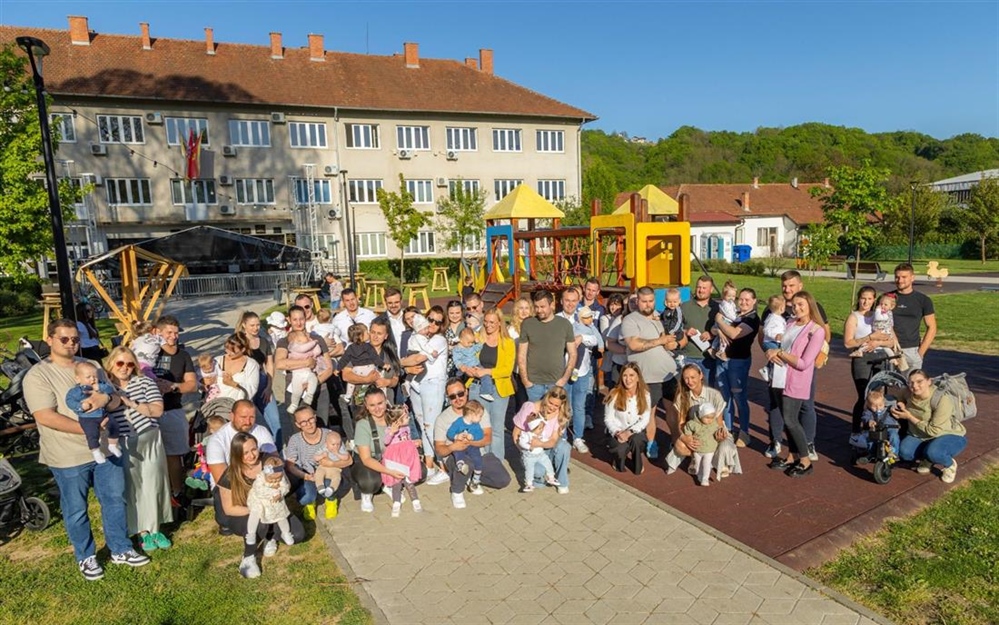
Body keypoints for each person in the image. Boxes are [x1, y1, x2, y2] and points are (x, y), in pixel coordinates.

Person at [24, 320, 150, 580]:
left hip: (106, 449)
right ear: (49, 340)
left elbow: (115, 398)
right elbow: (45, 416)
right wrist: (86, 430)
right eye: (64, 339)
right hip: (67, 454)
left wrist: (105, 399)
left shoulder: (90, 367)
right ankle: (86, 556)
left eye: (75, 339)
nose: (71, 343)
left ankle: (120, 548)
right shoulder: (38, 374)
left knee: (115, 500)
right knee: (76, 508)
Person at [104, 346, 171, 553]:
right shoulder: (104, 387)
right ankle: (142, 530)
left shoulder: (144, 382)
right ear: (111, 363)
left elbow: (157, 410)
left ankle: (155, 528)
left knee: (153, 483)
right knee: (133, 487)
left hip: (148, 439)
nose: (125, 368)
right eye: (120, 363)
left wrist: (130, 402)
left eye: (130, 364)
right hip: (122, 443)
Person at [761, 271, 831, 460]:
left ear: (800, 286)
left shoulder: (811, 307)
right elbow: (764, 337)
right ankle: (775, 441)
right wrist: (768, 351)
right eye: (784, 286)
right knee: (775, 405)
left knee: (805, 406)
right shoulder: (773, 308)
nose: (787, 289)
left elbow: (825, 335)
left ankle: (808, 444)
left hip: (801, 366)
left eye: (791, 285)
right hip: (779, 366)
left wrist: (817, 356)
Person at [216, 433, 305, 579]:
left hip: (274, 509)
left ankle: (270, 537)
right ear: (237, 454)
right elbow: (229, 508)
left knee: (297, 534)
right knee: (259, 523)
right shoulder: (230, 473)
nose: (251, 455)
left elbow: (285, 484)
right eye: (245, 452)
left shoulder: (270, 462)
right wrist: (258, 509)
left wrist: (279, 494)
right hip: (245, 513)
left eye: (254, 449)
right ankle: (248, 557)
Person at [434, 377, 512, 508]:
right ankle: (457, 491)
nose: (458, 399)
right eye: (453, 396)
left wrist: (470, 443)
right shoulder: (443, 418)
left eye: (460, 394)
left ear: (466, 391)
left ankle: (471, 479)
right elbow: (439, 449)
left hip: (478, 453)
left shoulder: (478, 410)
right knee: (465, 463)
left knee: (503, 480)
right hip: (455, 455)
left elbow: (488, 438)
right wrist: (454, 446)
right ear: (448, 398)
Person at [621, 286, 680, 459]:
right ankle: (651, 443)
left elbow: (670, 340)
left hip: (669, 373)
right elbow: (633, 344)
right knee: (649, 412)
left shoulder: (660, 317)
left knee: (673, 410)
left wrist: (672, 343)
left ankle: (676, 440)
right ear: (637, 301)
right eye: (644, 301)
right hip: (647, 376)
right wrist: (660, 340)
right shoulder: (630, 320)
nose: (648, 305)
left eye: (651, 301)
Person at [207, 400, 276, 533]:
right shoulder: (217, 439)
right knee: (226, 520)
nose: (248, 422)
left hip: (258, 480)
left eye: (252, 417)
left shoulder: (261, 431)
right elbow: (221, 477)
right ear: (231, 416)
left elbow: (274, 459)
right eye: (243, 417)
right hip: (230, 486)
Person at [149, 315, 197, 503]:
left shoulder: (183, 355)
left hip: (172, 409)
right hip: (148, 412)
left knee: (174, 454)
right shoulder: (149, 353)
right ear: (158, 332)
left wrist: (172, 386)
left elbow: (192, 384)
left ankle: (177, 492)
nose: (173, 336)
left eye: (176, 333)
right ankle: (157, 493)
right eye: (169, 332)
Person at [400, 308, 450, 484]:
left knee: (431, 425)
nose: (433, 324)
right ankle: (429, 465)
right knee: (422, 423)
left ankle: (444, 466)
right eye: (430, 319)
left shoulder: (439, 340)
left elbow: (416, 359)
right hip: (418, 383)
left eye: (438, 322)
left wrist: (399, 363)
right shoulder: (418, 337)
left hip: (433, 383)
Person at [891, 369, 967, 483]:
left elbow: (933, 430)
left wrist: (909, 417)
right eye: (911, 382)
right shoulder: (907, 391)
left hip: (946, 433)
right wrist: (900, 402)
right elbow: (899, 397)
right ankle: (927, 459)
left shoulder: (941, 399)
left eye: (919, 381)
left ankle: (949, 464)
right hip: (919, 434)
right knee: (904, 453)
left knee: (934, 453)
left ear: (929, 381)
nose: (915, 386)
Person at [843, 286, 896, 446]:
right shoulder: (854, 317)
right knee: (864, 395)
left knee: (880, 395)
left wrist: (877, 342)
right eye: (863, 298)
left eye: (870, 299)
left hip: (880, 356)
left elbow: (892, 340)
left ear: (874, 300)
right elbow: (848, 343)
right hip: (862, 358)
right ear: (859, 298)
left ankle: (879, 428)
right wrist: (868, 338)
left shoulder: (881, 315)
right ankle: (856, 431)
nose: (866, 302)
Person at [668, 363, 740, 478]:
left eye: (693, 377)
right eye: (686, 378)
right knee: (680, 446)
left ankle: (714, 461)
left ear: (701, 375)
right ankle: (695, 458)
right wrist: (684, 438)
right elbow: (681, 422)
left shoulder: (715, 395)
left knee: (725, 446)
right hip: (695, 432)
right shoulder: (682, 397)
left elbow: (719, 422)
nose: (689, 381)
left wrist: (719, 435)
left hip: (713, 430)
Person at [463, 308, 516, 460]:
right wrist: (469, 369)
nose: (488, 325)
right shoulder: (477, 338)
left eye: (492, 322)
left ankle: (497, 462)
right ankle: (481, 461)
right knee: (479, 426)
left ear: (499, 323)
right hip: (477, 386)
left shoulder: (507, 342)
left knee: (497, 428)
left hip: (498, 388)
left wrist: (487, 372)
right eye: (485, 321)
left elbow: (507, 369)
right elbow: (467, 357)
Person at [712, 287, 761, 448]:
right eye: (741, 299)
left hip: (738, 362)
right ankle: (729, 429)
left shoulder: (752, 319)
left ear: (754, 301)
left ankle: (744, 432)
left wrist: (719, 320)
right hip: (722, 359)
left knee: (739, 397)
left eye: (748, 299)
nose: (744, 302)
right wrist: (718, 329)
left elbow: (734, 334)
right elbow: (714, 330)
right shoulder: (734, 314)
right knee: (725, 398)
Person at [283, 406, 350, 520]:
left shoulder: (330, 435)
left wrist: (331, 464)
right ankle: (310, 503)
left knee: (330, 487)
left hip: (329, 473)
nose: (308, 424)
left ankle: (331, 500)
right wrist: (305, 476)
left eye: (310, 419)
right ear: (298, 424)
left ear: (315, 418)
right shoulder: (294, 439)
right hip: (307, 474)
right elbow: (290, 466)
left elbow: (349, 460)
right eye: (303, 422)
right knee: (306, 497)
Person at [340, 317, 400, 438]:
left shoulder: (390, 354)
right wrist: (366, 380)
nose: (375, 336)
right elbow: (346, 375)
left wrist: (387, 381)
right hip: (361, 404)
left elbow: (395, 379)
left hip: (385, 404)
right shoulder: (356, 350)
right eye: (372, 332)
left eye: (379, 333)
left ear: (386, 336)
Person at [275, 305, 335, 424]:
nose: (298, 323)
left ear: (306, 318)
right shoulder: (285, 341)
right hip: (295, 388)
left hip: (319, 388)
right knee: (298, 427)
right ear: (289, 320)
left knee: (322, 425)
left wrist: (314, 383)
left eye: (301, 319)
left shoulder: (317, 339)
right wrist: (306, 362)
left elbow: (329, 367)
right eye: (295, 319)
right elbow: (279, 363)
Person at [351, 387, 406, 512]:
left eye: (380, 403)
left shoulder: (393, 418)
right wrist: (389, 471)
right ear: (366, 406)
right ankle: (367, 493)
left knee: (420, 471)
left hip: (388, 458)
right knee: (370, 482)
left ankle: (388, 484)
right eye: (372, 405)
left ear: (386, 401)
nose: (377, 408)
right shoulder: (363, 425)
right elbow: (366, 459)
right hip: (367, 462)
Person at [517, 290, 576, 404]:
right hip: (533, 383)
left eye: (542, 306)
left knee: (556, 418)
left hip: (556, 382)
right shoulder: (528, 324)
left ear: (552, 305)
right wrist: (525, 380)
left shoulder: (564, 325)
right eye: (536, 307)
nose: (539, 310)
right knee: (535, 419)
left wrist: (564, 379)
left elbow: (573, 353)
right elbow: (522, 354)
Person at [511, 387, 572, 494]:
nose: (552, 407)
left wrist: (540, 443)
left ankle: (562, 481)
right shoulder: (530, 407)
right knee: (539, 475)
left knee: (564, 446)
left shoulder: (560, 414)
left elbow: (553, 440)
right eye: (550, 403)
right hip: (529, 450)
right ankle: (540, 475)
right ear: (546, 398)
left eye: (556, 405)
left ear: (562, 405)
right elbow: (516, 434)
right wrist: (526, 450)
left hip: (546, 446)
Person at [237, 311, 282, 451]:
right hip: (245, 383)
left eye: (257, 325)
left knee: (276, 421)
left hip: (262, 381)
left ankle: (277, 453)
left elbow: (269, 364)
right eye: (252, 325)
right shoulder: (238, 341)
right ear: (244, 325)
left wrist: (269, 385)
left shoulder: (263, 341)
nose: (256, 328)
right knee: (247, 423)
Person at [65, 361, 121, 464]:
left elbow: (110, 390)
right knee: (92, 434)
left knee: (114, 426)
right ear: (78, 379)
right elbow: (69, 401)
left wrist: (101, 388)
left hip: (103, 414)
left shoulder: (100, 385)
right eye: (88, 377)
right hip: (88, 417)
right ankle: (96, 451)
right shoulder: (76, 391)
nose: (93, 379)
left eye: (95, 376)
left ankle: (113, 445)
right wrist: (80, 407)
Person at [603, 362, 651, 475]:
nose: (628, 379)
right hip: (618, 431)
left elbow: (645, 419)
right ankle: (618, 460)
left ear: (638, 378)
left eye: (631, 375)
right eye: (625, 375)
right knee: (620, 449)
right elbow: (608, 419)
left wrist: (630, 432)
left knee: (637, 440)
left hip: (635, 431)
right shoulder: (614, 394)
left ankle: (637, 463)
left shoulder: (645, 395)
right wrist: (617, 432)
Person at [245, 456, 294, 561]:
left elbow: (285, 487)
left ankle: (286, 532)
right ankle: (251, 533)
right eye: (272, 479)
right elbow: (259, 490)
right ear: (265, 473)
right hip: (260, 502)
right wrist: (274, 492)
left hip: (275, 502)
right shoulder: (260, 478)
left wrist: (280, 493)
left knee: (282, 516)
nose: (275, 480)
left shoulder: (280, 477)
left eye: (278, 478)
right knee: (254, 514)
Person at [891, 263, 936, 371]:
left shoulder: (923, 300)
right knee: (884, 384)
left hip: (911, 349)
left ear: (912, 278)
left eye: (904, 277)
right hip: (889, 348)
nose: (900, 280)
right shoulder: (886, 298)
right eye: (897, 277)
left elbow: (932, 327)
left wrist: (920, 353)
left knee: (912, 386)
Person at [380, 404, 423, 518]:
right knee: (396, 482)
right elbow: (386, 442)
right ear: (397, 420)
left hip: (408, 457)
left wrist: (414, 443)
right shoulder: (390, 429)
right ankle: (396, 502)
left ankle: (415, 500)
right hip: (396, 458)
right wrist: (392, 432)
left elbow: (407, 441)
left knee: (409, 481)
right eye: (405, 417)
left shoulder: (407, 428)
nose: (408, 418)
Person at [679, 275, 718, 379]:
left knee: (708, 390)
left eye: (704, 288)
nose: (701, 290)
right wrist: (686, 331)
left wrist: (712, 335)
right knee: (687, 391)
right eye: (698, 287)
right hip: (688, 356)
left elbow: (725, 331)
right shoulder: (684, 306)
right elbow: (674, 329)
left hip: (709, 357)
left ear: (711, 289)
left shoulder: (718, 308)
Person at [445, 399, 487, 488]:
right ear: (472, 414)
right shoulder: (458, 422)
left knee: (478, 458)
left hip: (472, 446)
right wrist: (456, 436)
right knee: (458, 452)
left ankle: (476, 479)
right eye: (480, 416)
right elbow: (450, 433)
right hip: (460, 445)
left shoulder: (476, 425)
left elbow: (480, 434)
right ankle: (460, 465)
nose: (481, 419)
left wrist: (473, 437)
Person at [451, 327, 496, 402]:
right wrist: (460, 366)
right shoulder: (457, 349)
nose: (471, 344)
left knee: (485, 375)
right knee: (458, 379)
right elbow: (456, 360)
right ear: (461, 340)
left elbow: (478, 347)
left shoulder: (471, 347)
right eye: (468, 342)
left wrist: (478, 342)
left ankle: (485, 391)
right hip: (464, 367)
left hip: (476, 365)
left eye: (472, 342)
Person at [517, 417, 560, 492]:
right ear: (533, 428)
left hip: (541, 454)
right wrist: (529, 447)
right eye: (540, 429)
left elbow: (544, 440)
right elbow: (521, 442)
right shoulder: (527, 434)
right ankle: (529, 484)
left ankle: (551, 477)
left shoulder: (541, 434)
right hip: (529, 456)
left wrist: (546, 441)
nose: (542, 430)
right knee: (529, 470)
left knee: (548, 464)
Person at [215, 332, 261, 402]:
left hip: (238, 406)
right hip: (215, 405)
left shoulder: (252, 365)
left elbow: (252, 389)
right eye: (227, 349)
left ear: (243, 349)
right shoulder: (216, 361)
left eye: (233, 351)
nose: (228, 353)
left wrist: (233, 383)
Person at [683, 403, 721, 486]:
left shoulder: (714, 424)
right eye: (707, 418)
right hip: (697, 448)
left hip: (709, 449)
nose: (709, 420)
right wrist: (689, 437)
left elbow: (719, 430)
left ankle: (705, 478)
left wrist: (720, 435)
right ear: (700, 416)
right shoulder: (693, 423)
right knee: (698, 463)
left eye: (712, 418)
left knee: (706, 463)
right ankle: (700, 475)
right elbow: (687, 429)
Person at [507, 295, 534, 409]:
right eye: (521, 308)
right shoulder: (511, 330)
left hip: (534, 371)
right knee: (521, 403)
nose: (524, 311)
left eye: (526, 308)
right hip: (517, 371)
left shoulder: (536, 326)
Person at [859, 388, 900, 460]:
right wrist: (869, 421)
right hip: (875, 429)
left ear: (884, 403)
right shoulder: (869, 412)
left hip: (889, 428)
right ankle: (871, 452)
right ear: (869, 405)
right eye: (874, 406)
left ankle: (894, 452)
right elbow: (865, 417)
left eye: (880, 405)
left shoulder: (888, 410)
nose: (878, 408)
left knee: (894, 436)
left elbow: (897, 415)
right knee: (868, 438)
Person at [187, 414, 224, 490]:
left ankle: (204, 482)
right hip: (205, 461)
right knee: (200, 470)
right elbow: (200, 444)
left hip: (213, 462)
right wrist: (197, 447)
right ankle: (195, 480)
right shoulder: (209, 439)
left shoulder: (221, 439)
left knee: (208, 473)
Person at [599, 294, 628, 390]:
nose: (614, 307)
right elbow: (606, 337)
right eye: (612, 304)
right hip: (611, 358)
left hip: (624, 358)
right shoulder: (605, 318)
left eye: (617, 304)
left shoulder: (626, 318)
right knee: (613, 385)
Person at [311, 430, 348, 500]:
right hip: (323, 467)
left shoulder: (341, 449)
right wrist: (322, 455)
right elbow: (315, 457)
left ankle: (332, 488)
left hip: (335, 469)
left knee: (337, 478)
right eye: (333, 444)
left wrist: (338, 454)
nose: (336, 447)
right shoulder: (323, 448)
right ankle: (320, 486)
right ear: (326, 444)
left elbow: (346, 457)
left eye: (338, 444)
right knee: (318, 473)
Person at [758, 295, 786, 384]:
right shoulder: (771, 318)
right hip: (770, 341)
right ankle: (768, 370)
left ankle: (769, 369)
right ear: (781, 308)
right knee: (777, 356)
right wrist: (775, 336)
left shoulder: (779, 317)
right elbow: (766, 330)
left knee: (778, 356)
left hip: (776, 342)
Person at [709, 281, 739, 361]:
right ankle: (721, 352)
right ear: (723, 295)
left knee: (720, 337)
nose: (731, 298)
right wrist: (737, 318)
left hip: (725, 321)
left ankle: (714, 348)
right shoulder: (724, 304)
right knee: (725, 339)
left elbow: (734, 310)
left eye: (733, 296)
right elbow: (730, 315)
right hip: (726, 321)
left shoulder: (731, 303)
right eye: (729, 296)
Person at [374, 287, 406, 355]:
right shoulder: (378, 321)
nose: (393, 305)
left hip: (411, 361)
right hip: (390, 362)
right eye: (390, 303)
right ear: (385, 303)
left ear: (401, 301)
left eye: (396, 302)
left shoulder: (409, 318)